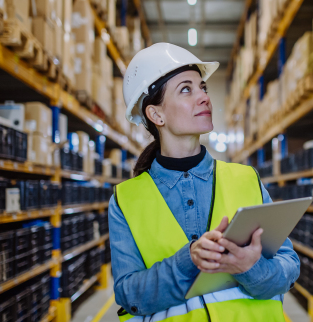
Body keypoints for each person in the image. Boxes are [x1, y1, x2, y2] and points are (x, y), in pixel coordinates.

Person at [109, 43, 300, 322]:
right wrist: (189, 261)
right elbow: (129, 294)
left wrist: (250, 268)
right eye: (186, 89)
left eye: (203, 88)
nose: (204, 98)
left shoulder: (246, 179)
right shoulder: (126, 200)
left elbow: (288, 268)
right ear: (156, 115)